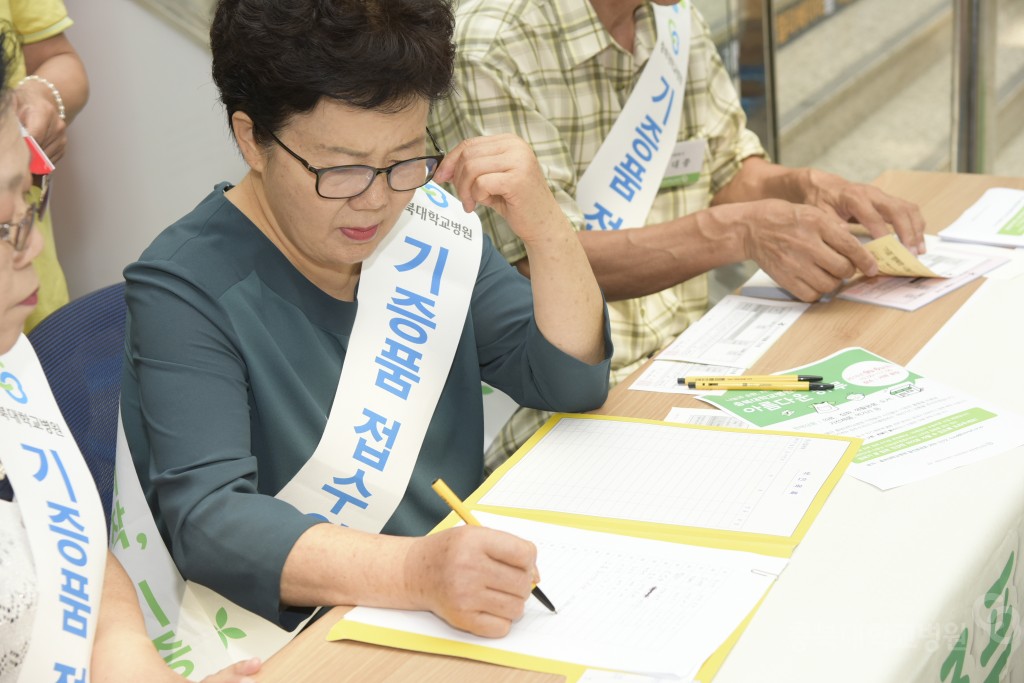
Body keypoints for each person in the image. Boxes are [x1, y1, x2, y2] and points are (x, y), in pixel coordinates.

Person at [116, 0, 610, 668]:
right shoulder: (185, 284)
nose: (377, 199)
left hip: (463, 617)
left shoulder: (427, 224)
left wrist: (545, 226)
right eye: (341, 168)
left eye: (405, 157)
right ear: (251, 138)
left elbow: (570, 376)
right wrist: (417, 572)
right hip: (310, 642)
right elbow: (211, 520)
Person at [429, 0, 928, 469]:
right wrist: (738, 231)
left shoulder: (671, 16)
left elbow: (727, 170)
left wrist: (805, 187)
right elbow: (534, 262)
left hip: (703, 355)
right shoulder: (491, 46)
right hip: (573, 405)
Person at [0, 30, 260, 683]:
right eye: (5, 226)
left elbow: (84, 572)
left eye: (28, 200)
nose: (32, 247)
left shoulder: (11, 368)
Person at [1, 1, 88, 331]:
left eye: (27, 194)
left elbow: (57, 56)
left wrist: (42, 95)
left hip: (35, 316)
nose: (35, 244)